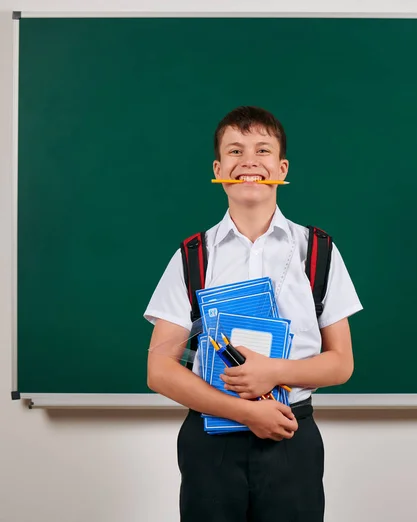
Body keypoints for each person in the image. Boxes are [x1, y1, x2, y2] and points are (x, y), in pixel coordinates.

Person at [144, 106, 363, 522]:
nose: (249, 161)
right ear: (218, 167)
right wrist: (245, 411)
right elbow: (160, 369)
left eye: (263, 150)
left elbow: (341, 363)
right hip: (211, 441)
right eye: (235, 150)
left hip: (289, 436)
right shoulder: (194, 256)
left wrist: (273, 372)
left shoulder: (317, 253)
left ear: (281, 167)